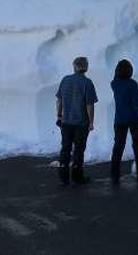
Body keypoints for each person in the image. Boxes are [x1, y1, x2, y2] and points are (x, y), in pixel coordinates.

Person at [56, 56, 98, 186]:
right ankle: (77, 176)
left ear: (74, 66)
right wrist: (91, 122)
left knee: (65, 148)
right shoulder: (87, 83)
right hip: (81, 123)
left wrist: (59, 116)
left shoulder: (65, 80)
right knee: (79, 150)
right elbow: (89, 105)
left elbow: (59, 100)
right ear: (86, 67)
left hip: (66, 122)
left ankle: (63, 176)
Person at [109, 59, 138, 186]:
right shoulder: (133, 84)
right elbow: (136, 104)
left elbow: (115, 78)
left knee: (118, 147)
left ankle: (114, 175)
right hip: (134, 119)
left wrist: (118, 69)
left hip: (119, 119)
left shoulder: (114, 84)